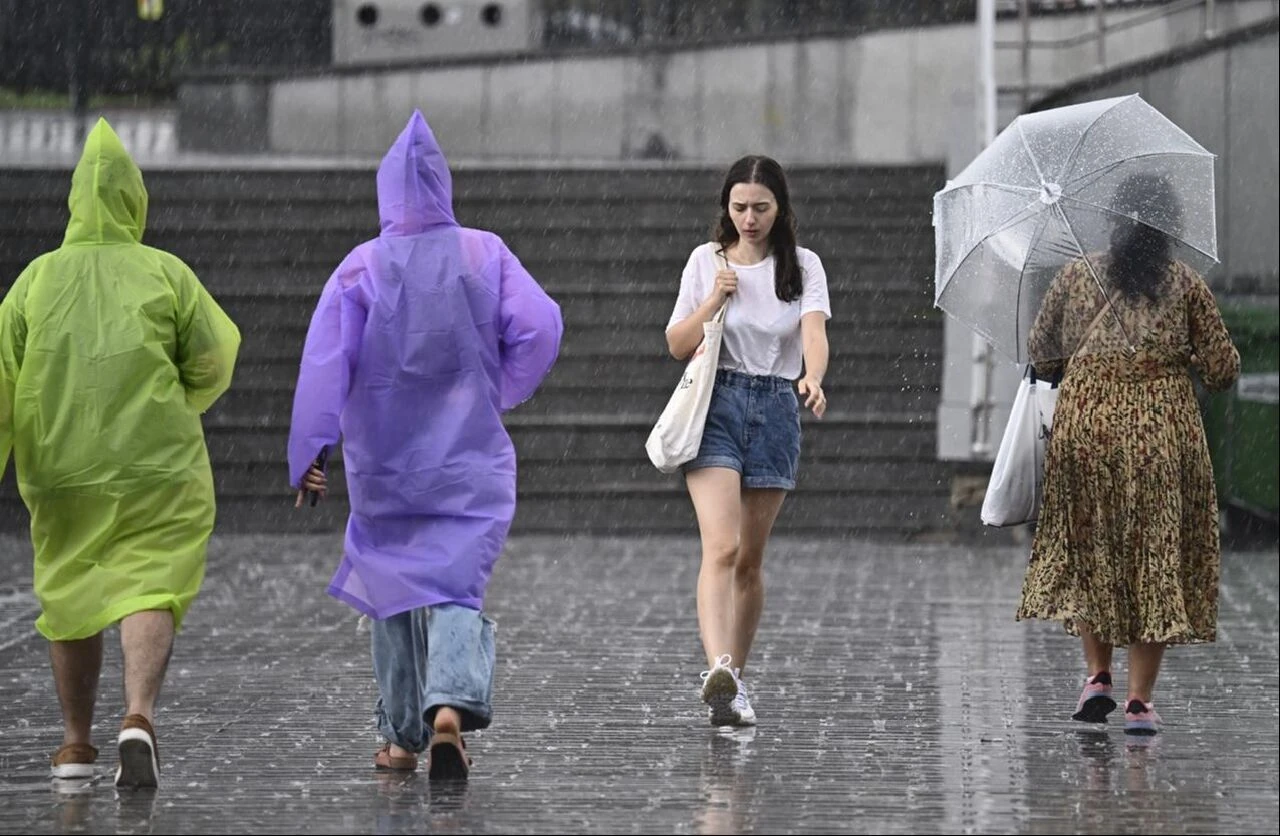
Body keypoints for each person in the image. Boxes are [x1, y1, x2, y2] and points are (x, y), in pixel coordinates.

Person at [288, 111, 562, 780]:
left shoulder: (361, 268)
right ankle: (450, 707)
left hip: (385, 463)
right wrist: (499, 386)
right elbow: (541, 326)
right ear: (444, 184)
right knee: (456, 586)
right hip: (468, 458)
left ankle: (400, 733)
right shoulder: (484, 252)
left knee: (393, 588)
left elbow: (325, 364)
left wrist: (311, 452)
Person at [0, 119, 241, 788]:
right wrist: (182, 396)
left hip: (60, 462)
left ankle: (76, 745)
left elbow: (0, 379)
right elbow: (214, 355)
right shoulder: (165, 273)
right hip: (154, 461)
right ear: (135, 199)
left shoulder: (34, 282)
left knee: (70, 587)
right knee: (151, 578)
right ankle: (138, 714)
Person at [1017, 172, 1240, 736]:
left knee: (1092, 550)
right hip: (1163, 435)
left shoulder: (1076, 275)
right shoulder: (1186, 284)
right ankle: (1140, 701)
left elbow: (1041, 354)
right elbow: (1222, 370)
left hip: (1087, 429)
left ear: (1113, 220)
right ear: (1169, 226)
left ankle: (1097, 675)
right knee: (1156, 559)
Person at [664, 155, 831, 726]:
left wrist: (812, 375)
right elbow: (677, 343)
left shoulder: (802, 266)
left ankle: (734, 683)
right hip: (718, 405)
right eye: (739, 208)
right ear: (726, 208)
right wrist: (714, 300)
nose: (749, 219)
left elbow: (814, 330)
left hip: (777, 406)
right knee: (723, 548)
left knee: (751, 562)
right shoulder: (704, 262)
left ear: (779, 208)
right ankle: (720, 668)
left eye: (760, 208)